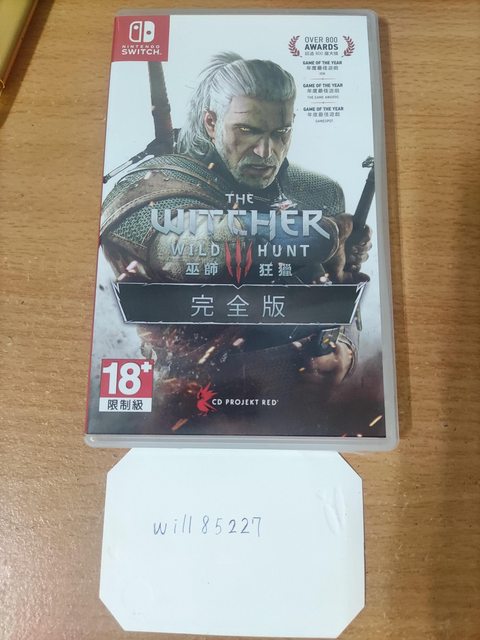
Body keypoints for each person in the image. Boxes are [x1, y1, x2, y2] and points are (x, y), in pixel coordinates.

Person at [100, 53, 372, 432]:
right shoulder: (155, 188)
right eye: (247, 130)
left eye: (280, 132)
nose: (266, 152)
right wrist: (302, 235)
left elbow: (341, 297)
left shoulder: (318, 193)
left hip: (298, 405)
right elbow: (182, 250)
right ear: (211, 122)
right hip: (186, 404)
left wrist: (342, 352)